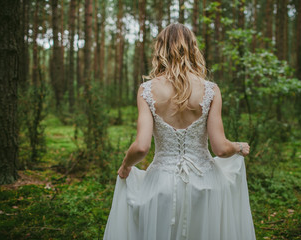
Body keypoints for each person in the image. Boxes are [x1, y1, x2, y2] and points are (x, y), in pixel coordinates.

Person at [103, 23, 256, 240]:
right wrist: (239, 147)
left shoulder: (146, 90)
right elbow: (221, 149)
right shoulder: (211, 90)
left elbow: (141, 147)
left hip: (161, 185)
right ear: (193, 49)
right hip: (206, 185)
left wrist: (126, 165)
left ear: (160, 50)